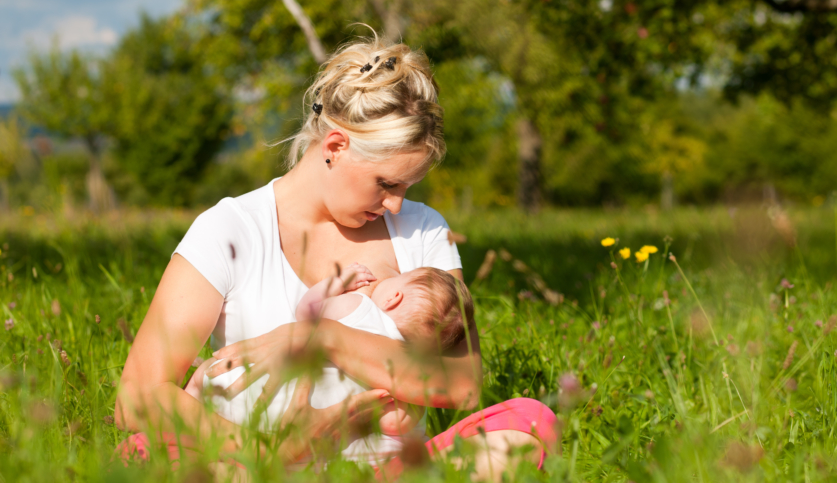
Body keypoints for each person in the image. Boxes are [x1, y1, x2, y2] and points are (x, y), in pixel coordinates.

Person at [115, 34, 558, 479]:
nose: (397, 205)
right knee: (144, 451)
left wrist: (326, 338)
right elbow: (138, 396)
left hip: (388, 470)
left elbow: (460, 384)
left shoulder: (423, 230)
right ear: (335, 147)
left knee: (529, 424)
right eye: (386, 184)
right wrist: (269, 450)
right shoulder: (232, 229)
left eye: (407, 187)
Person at [184, 263, 473, 462]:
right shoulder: (411, 370)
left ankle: (190, 399)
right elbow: (395, 422)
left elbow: (306, 313)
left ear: (394, 297)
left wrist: (335, 285)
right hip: (322, 430)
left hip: (271, 398)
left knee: (206, 376)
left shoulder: (359, 308)